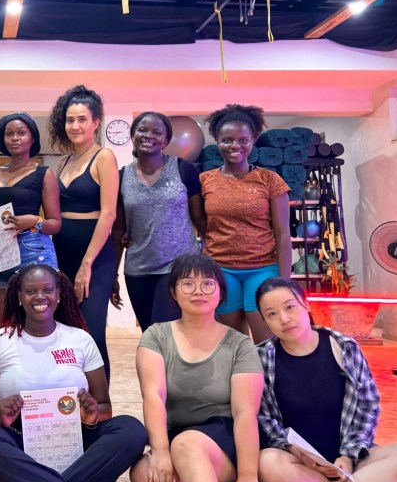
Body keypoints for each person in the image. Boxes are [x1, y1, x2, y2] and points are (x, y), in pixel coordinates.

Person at [130, 254, 294, 482]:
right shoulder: (156, 336)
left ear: (220, 292)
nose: (198, 291)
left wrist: (247, 477)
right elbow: (153, 396)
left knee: (187, 444)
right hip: (180, 438)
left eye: (207, 284)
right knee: (141, 475)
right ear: (173, 292)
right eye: (188, 283)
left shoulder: (239, 345)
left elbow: (246, 414)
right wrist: (160, 451)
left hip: (227, 440)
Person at [0, 264, 146, 482]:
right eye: (31, 291)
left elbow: (104, 406)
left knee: (131, 429)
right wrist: (0, 419)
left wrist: (91, 414)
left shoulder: (80, 339)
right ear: (19, 297)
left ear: (59, 294)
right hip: (19, 446)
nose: (40, 297)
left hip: (73, 443)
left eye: (48, 290)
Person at [254, 277, 397, 482]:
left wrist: (348, 455)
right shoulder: (262, 358)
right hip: (299, 463)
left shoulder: (343, 347)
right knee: (266, 464)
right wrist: (294, 450)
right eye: (272, 314)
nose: (284, 319)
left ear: (306, 304)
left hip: (349, 459)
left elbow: (368, 404)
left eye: (290, 307)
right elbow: (264, 417)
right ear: (264, 321)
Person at [200, 104, 290, 342]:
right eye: (227, 140)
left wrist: (285, 281)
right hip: (221, 270)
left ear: (253, 140)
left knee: (266, 343)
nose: (235, 146)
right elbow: (196, 223)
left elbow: (283, 234)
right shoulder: (204, 181)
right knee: (232, 345)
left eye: (243, 140)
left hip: (263, 268)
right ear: (217, 141)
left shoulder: (270, 180)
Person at [47, 85, 119, 378]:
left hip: (94, 255)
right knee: (65, 330)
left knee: (91, 331)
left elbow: (109, 213)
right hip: (61, 251)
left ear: (96, 122)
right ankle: (69, 394)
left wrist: (87, 264)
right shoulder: (63, 161)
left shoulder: (104, 157)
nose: (75, 126)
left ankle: (100, 400)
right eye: (70, 120)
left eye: (82, 119)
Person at [112, 112, 205, 331]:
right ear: (133, 135)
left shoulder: (183, 169)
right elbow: (118, 230)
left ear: (165, 140)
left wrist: (210, 259)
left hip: (179, 266)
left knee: (165, 330)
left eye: (157, 132)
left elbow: (200, 219)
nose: (149, 135)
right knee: (151, 334)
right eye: (142, 130)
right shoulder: (122, 176)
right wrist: (112, 275)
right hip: (138, 269)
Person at [0, 112, 61, 323]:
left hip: (32, 247)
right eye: (9, 134)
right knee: (5, 325)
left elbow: (55, 224)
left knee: (38, 323)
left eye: (21, 133)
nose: (15, 138)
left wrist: (34, 221)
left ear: (32, 138)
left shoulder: (43, 173)